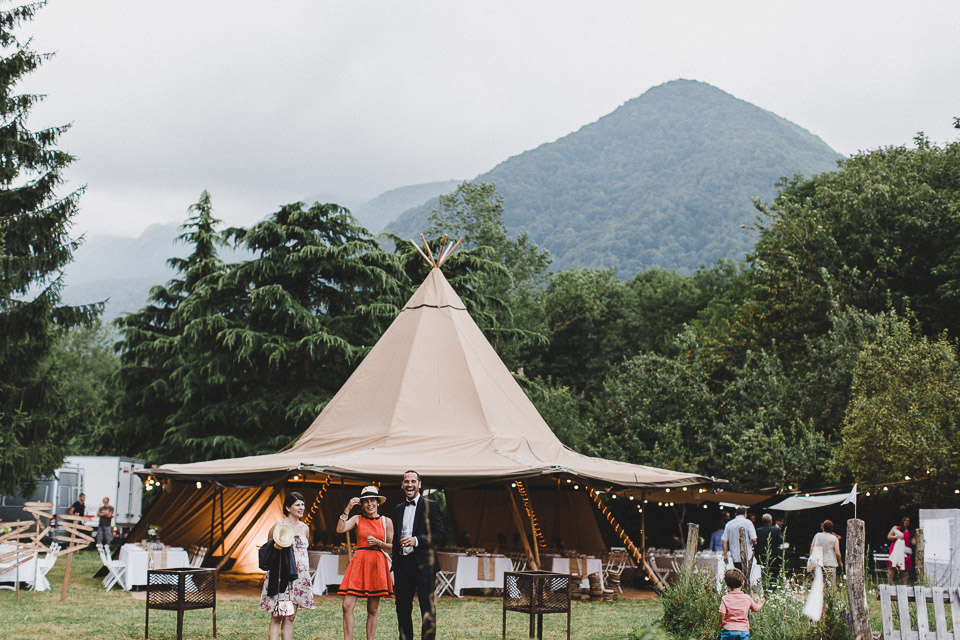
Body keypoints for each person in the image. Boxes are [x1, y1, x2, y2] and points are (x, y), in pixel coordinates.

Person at [392, 470, 445, 640]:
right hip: (403, 565)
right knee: (402, 608)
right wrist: (395, 562)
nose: (409, 485)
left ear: (419, 484)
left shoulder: (431, 505)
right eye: (406, 481)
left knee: (427, 609)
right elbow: (395, 538)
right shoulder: (398, 509)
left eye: (413, 481)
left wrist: (417, 540)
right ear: (402, 485)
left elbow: (440, 535)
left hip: (424, 565)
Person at [337, 486, 394, 640]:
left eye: (372, 500)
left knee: (373, 609)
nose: (370, 504)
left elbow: (393, 548)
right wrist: (348, 508)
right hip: (359, 562)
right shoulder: (357, 519)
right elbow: (340, 529)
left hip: (377, 563)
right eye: (366, 501)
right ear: (362, 504)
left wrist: (378, 543)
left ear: (378, 502)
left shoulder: (386, 521)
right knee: (347, 605)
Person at [260, 492, 314, 640]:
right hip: (282, 576)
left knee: (290, 617)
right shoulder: (279, 526)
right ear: (288, 508)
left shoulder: (305, 528)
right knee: (278, 615)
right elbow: (269, 549)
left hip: (298, 578)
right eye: (298, 505)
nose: (301, 507)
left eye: (303, 504)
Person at [719, 568, 762, 640]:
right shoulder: (747, 598)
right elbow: (756, 609)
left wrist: (721, 623)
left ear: (726, 584)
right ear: (743, 583)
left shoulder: (725, 598)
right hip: (743, 630)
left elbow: (722, 612)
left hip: (728, 629)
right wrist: (760, 603)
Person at [722, 506, 757, 572]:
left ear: (735, 514)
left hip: (734, 555)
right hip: (747, 554)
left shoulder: (729, 524)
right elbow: (754, 539)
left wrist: (725, 555)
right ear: (745, 513)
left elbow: (724, 540)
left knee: (737, 574)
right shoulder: (748, 523)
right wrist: (753, 543)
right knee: (746, 575)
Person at [810, 520, 843, 586]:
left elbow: (812, 548)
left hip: (819, 562)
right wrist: (840, 562)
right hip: (831, 563)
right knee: (831, 584)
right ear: (832, 528)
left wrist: (811, 559)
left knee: (819, 584)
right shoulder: (834, 538)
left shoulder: (817, 535)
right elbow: (837, 553)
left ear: (823, 527)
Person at [755, 513, 784, 579]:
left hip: (761, 556)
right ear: (771, 521)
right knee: (774, 576)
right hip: (774, 556)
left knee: (763, 574)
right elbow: (781, 542)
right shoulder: (776, 530)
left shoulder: (758, 531)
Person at [887, 516, 912, 585]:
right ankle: (889, 584)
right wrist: (896, 537)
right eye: (905, 520)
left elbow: (913, 541)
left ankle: (905, 585)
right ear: (902, 521)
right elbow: (889, 536)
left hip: (905, 551)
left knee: (905, 569)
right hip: (895, 549)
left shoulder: (910, 531)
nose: (906, 522)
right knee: (892, 567)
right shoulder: (896, 528)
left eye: (908, 521)